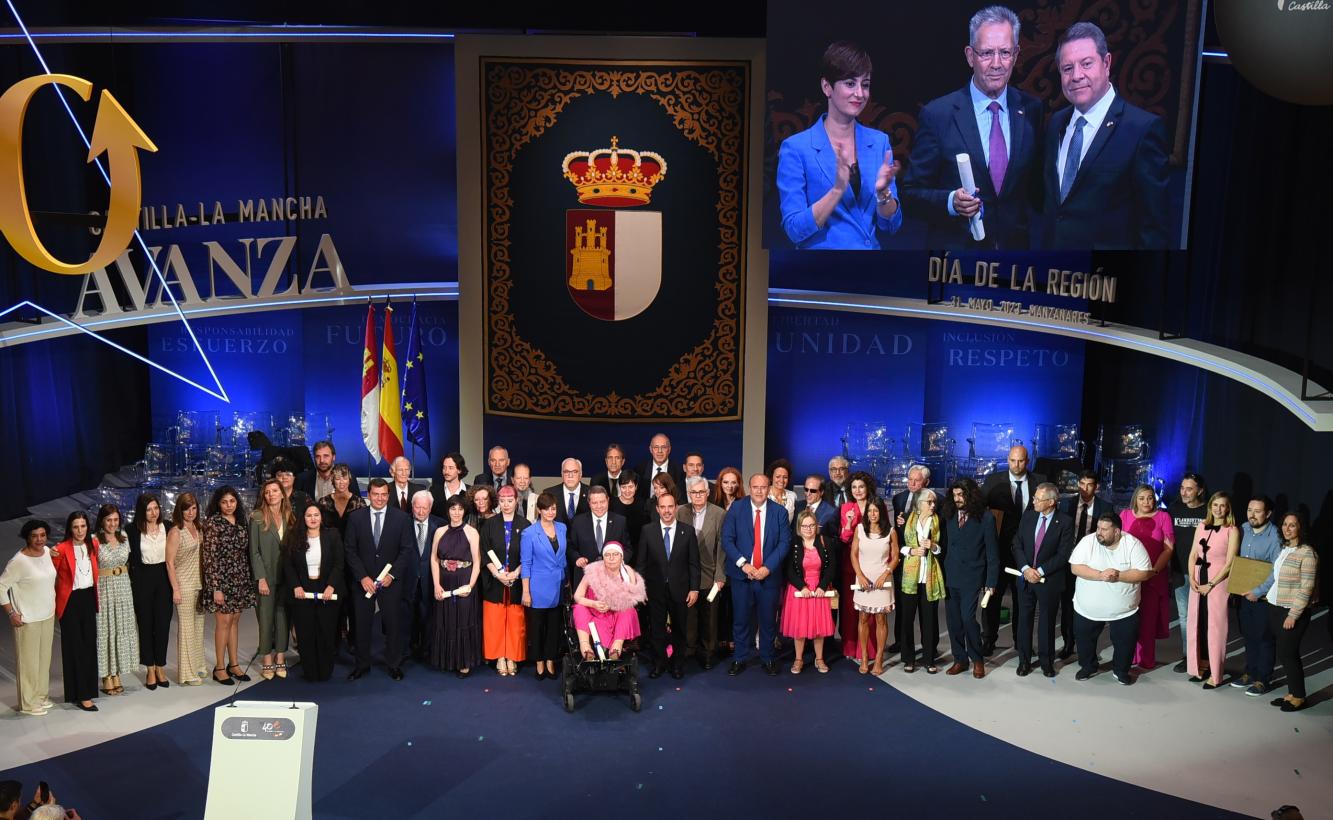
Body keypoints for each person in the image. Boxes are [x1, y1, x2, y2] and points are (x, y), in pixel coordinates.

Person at [900, 5, 1042, 249]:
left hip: (1015, 257)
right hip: (957, 258)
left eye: (1005, 52)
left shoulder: (1031, 109)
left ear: (1016, 55)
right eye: (986, 53)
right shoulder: (938, 115)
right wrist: (950, 201)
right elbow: (911, 194)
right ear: (969, 55)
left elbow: (1038, 191)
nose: (996, 63)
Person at [1041, 21, 1170, 249]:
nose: (1077, 76)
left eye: (1086, 64)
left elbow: (1154, 228)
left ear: (1107, 63)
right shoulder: (1055, 124)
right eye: (1067, 68)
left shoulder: (1142, 130)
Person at [776, 41, 902, 249]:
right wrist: (837, 190)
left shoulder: (879, 142)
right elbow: (794, 230)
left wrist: (883, 195)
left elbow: (891, 225)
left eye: (866, 84)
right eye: (850, 83)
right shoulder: (796, 148)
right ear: (827, 87)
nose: (860, 94)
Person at [1069, 514, 1154, 684]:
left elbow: (1144, 573)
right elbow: (1075, 567)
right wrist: (1100, 575)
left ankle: (1121, 671)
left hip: (1124, 611)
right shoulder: (1088, 541)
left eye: (1104, 529)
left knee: (1125, 642)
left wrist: (1118, 575)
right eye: (1098, 528)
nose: (1098, 532)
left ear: (1117, 531)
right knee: (1084, 639)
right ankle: (1088, 666)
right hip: (1086, 609)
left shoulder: (1132, 544)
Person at [345, 478, 415, 681]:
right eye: (375, 494)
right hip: (363, 582)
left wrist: (392, 575)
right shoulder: (356, 518)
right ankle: (361, 665)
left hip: (390, 582)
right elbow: (350, 550)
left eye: (384, 494)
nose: (380, 498)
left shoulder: (401, 518)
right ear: (368, 494)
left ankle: (394, 664)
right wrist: (362, 577)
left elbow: (406, 550)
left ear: (388, 495)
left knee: (393, 625)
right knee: (361, 625)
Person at [721, 473, 791, 676]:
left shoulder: (779, 512)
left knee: (768, 620)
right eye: (755, 487)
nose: (759, 491)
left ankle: (768, 658)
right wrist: (744, 565)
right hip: (742, 576)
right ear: (749, 488)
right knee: (741, 619)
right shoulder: (737, 508)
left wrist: (766, 568)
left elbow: (784, 543)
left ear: (769, 488)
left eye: (763, 487)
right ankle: (740, 658)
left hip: (768, 577)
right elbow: (727, 539)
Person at [980, 444, 1045, 655]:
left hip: (1027, 553)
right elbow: (980, 511)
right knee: (992, 598)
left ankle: (1021, 643)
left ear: (1028, 461)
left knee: (1024, 601)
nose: (1016, 465)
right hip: (998, 552)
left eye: (1021, 461)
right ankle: (988, 641)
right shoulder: (992, 481)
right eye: (1012, 460)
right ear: (1007, 460)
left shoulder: (1040, 481)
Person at [1010, 483, 1076, 677]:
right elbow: (1017, 543)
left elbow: (1063, 554)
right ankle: (1024, 661)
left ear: (1051, 502)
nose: (1034, 502)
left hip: (1049, 581)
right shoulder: (1029, 516)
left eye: (1038, 499)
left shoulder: (1065, 522)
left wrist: (1038, 571)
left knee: (1047, 622)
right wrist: (1025, 569)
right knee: (1024, 620)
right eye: (1034, 498)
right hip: (1025, 578)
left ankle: (1047, 662)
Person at [637, 491, 701, 680]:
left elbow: (694, 564)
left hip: (680, 589)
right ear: (657, 509)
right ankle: (659, 663)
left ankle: (677, 665)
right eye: (662, 507)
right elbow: (641, 563)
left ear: (676, 508)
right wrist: (641, 589)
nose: (666, 511)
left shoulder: (688, 531)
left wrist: (694, 588)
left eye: (670, 507)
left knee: (680, 629)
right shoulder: (647, 531)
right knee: (656, 629)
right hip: (654, 590)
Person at [0, 520, 57, 715]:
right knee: (28, 663)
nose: (39, 539)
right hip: (27, 619)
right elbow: (1, 587)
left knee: (43, 661)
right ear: (27, 537)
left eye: (43, 535)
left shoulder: (48, 552)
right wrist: (10, 613)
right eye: (35, 536)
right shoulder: (19, 561)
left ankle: (41, 696)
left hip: (47, 615)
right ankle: (28, 703)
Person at [283, 502, 344, 682]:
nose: (313, 519)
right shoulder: (294, 537)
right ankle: (310, 671)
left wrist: (331, 586)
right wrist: (296, 586)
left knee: (326, 631)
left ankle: (325, 671)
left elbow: (338, 564)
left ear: (321, 517)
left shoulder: (332, 535)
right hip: (303, 590)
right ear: (303, 518)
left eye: (316, 515)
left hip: (327, 589)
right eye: (309, 515)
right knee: (305, 632)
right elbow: (288, 565)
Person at [943, 478, 998, 678]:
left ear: (971, 495)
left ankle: (977, 659)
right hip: (951, 575)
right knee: (953, 621)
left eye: (961, 495)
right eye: (955, 495)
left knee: (968, 619)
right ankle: (960, 659)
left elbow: (992, 553)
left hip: (973, 577)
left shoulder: (986, 518)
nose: (957, 499)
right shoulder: (948, 515)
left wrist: (991, 582)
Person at [1056, 469, 1113, 659]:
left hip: (1092, 563)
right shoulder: (1066, 504)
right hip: (1068, 562)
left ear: (1096, 487)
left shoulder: (1106, 507)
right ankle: (1067, 643)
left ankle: (1087, 647)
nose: (1085, 488)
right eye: (1081, 483)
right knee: (1067, 604)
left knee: (1089, 605)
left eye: (1089, 484)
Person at [1186, 492, 1240, 688]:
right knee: (1197, 623)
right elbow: (1193, 554)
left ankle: (1216, 674)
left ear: (1228, 509)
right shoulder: (1201, 526)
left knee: (1215, 627)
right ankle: (1200, 665)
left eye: (1222, 505)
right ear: (1210, 506)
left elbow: (1230, 562)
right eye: (1215, 505)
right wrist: (1192, 577)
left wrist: (1212, 583)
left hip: (1217, 583)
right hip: (1198, 581)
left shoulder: (1232, 530)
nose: (1218, 509)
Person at [202, 486, 255, 685]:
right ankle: (220, 667)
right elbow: (210, 557)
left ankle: (234, 664)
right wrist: (216, 587)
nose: (229, 506)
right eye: (224, 502)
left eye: (232, 501)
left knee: (234, 622)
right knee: (223, 623)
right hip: (222, 580)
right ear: (218, 503)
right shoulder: (213, 523)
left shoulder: (241, 522)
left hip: (240, 578)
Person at [1265, 514, 1318, 712]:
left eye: (1293, 525)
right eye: (1285, 524)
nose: (1287, 528)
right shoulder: (1285, 549)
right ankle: (1292, 692)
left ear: (1300, 528)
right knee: (1284, 653)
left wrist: (1293, 615)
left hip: (1292, 612)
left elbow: (1307, 587)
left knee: (1289, 654)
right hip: (1276, 607)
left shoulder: (1307, 553)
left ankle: (1299, 697)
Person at [1119, 485, 1174, 671]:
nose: (1146, 502)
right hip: (1129, 576)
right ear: (1135, 499)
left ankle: (1146, 659)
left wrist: (1154, 571)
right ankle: (1129, 657)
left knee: (1148, 620)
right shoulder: (1125, 515)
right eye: (1142, 498)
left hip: (1154, 576)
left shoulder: (1163, 517)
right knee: (1128, 618)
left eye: (1150, 498)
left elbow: (1168, 548)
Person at [1234, 495, 1283, 696]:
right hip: (1242, 595)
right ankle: (1250, 672)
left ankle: (1263, 679)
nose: (1252, 515)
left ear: (1268, 513)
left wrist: (1258, 591)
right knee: (1248, 634)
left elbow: (1276, 570)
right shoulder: (1243, 529)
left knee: (1264, 637)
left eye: (1257, 511)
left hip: (1263, 597)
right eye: (1249, 510)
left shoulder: (1275, 536)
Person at [430, 496, 483, 677]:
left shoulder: (472, 532)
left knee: (463, 619)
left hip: (464, 580)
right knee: (446, 619)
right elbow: (434, 559)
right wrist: (436, 584)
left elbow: (477, 562)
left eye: (460, 509)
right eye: (453, 509)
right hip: (444, 580)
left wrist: (470, 585)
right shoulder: (439, 531)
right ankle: (449, 659)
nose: (456, 513)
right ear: (448, 511)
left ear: (465, 511)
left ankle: (464, 662)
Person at [52, 511, 99, 711]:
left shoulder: (93, 545)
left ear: (88, 527)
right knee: (75, 647)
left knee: (89, 645)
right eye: (75, 527)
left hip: (88, 598)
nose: (80, 530)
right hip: (70, 601)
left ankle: (84, 690)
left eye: (83, 526)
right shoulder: (61, 549)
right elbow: (48, 573)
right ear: (69, 529)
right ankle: (82, 695)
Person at [480, 485, 530, 676]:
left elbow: (529, 554)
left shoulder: (525, 524)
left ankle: (512, 656)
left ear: (516, 501)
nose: (506, 505)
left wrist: (516, 573)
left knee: (516, 620)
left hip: (517, 578)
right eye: (502, 501)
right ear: (498, 502)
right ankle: (499, 656)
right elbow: (483, 551)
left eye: (510, 501)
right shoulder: (489, 524)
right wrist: (497, 573)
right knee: (495, 619)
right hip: (495, 579)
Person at [127, 492, 172, 690]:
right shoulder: (131, 530)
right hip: (143, 579)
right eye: (148, 509)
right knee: (145, 625)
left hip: (164, 578)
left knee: (162, 625)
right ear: (141, 511)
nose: (153, 513)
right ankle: (150, 668)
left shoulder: (168, 527)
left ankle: (161, 666)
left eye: (156, 508)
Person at [782, 509, 836, 674]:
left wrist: (822, 586)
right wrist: (802, 587)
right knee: (800, 627)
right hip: (800, 590)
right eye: (805, 526)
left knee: (819, 627)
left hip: (819, 589)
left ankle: (819, 658)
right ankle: (798, 659)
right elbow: (789, 569)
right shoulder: (793, 543)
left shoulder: (825, 541)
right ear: (799, 527)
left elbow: (832, 567)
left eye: (812, 525)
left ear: (816, 526)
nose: (808, 529)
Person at [891, 464, 937, 653]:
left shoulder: (935, 501)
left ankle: (930, 649)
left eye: (917, 481)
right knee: (903, 607)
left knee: (928, 610)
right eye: (909, 479)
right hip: (905, 560)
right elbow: (897, 530)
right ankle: (902, 643)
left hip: (926, 562)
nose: (912, 483)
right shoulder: (899, 499)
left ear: (926, 482)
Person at [520, 493, 567, 680]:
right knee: (537, 627)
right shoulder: (529, 533)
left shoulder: (562, 528)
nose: (550, 512)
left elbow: (562, 558)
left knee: (554, 627)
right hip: (537, 588)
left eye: (553, 508)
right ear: (539, 510)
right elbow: (526, 563)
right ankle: (539, 661)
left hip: (558, 585)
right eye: (546, 508)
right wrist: (525, 591)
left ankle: (550, 660)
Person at [897, 492, 946, 674]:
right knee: (907, 619)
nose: (933, 505)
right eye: (929, 502)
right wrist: (911, 550)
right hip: (910, 578)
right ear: (919, 504)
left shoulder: (938, 521)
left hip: (929, 577)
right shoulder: (907, 521)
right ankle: (909, 659)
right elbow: (898, 545)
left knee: (930, 620)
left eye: (934, 502)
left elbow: (943, 548)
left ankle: (928, 659)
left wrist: (933, 546)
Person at [572, 543, 646, 660]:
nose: (611, 558)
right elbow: (577, 596)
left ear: (621, 557)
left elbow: (632, 599)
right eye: (607, 555)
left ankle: (616, 648)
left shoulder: (627, 572)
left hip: (616, 613)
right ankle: (586, 647)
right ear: (603, 557)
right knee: (579, 608)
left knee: (629, 610)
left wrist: (612, 604)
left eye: (615, 554)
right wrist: (594, 604)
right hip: (593, 612)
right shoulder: (593, 572)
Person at [92, 504, 137, 695]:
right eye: (109, 520)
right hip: (105, 588)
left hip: (123, 588)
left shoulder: (124, 537)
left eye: (116, 520)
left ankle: (117, 672)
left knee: (121, 628)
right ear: (102, 521)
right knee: (106, 630)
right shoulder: (94, 540)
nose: (112, 523)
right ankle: (106, 675)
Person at [683, 475, 727, 669]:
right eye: (694, 492)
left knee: (709, 618)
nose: (698, 495)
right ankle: (689, 650)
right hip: (685, 575)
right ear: (689, 494)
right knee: (688, 617)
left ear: (708, 493)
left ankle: (708, 653)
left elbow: (722, 548)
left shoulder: (719, 514)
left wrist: (720, 576)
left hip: (711, 575)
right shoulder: (680, 512)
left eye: (701, 492)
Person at [250, 479, 292, 681]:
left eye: (275, 491)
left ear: (282, 493)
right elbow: (254, 552)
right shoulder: (257, 517)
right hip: (266, 578)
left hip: (286, 578)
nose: (271, 495)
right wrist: (261, 578)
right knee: (266, 619)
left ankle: (281, 656)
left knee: (283, 618)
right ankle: (267, 659)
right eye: (267, 492)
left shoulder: (290, 516)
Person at [850, 498, 896, 675]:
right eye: (870, 511)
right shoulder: (860, 529)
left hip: (882, 580)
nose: (872, 514)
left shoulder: (890, 532)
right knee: (863, 618)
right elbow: (854, 555)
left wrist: (886, 573)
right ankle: (863, 657)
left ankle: (878, 659)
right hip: (863, 579)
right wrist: (860, 576)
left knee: (880, 619)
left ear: (882, 512)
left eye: (876, 511)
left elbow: (895, 557)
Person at [1167, 473, 1207, 672]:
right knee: (1185, 617)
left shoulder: (1209, 511)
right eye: (1182, 488)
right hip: (1180, 572)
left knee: (1204, 617)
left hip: (1204, 573)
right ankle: (1188, 656)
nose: (1184, 492)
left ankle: (1206, 658)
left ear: (1199, 490)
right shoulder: (1174, 509)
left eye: (1189, 489)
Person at [164, 492, 206, 686]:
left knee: (198, 627)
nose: (191, 512)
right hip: (184, 584)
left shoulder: (198, 528)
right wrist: (176, 589)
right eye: (187, 508)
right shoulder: (175, 532)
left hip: (199, 583)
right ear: (179, 510)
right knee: (187, 629)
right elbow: (170, 563)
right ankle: (187, 673)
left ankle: (198, 666)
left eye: (194, 508)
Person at [837, 471, 878, 661]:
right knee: (850, 609)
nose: (857, 490)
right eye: (854, 487)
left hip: (872, 564)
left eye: (861, 486)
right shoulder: (846, 508)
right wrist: (849, 522)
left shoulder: (875, 507)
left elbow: (882, 533)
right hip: (850, 564)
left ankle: (869, 650)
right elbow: (844, 538)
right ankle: (850, 647)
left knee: (869, 608)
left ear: (868, 488)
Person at [405, 490, 445, 661]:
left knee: (429, 616)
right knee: (408, 617)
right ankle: (409, 648)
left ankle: (428, 650)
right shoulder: (402, 523)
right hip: (408, 579)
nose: (421, 512)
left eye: (425, 508)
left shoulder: (441, 525)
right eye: (417, 507)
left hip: (431, 579)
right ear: (412, 506)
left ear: (430, 508)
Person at [568, 485, 631, 589]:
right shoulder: (578, 522)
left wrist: (620, 562)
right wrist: (577, 558)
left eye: (602, 502)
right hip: (585, 579)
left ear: (608, 500)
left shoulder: (620, 521)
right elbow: (570, 547)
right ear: (589, 503)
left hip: (613, 581)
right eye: (594, 503)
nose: (599, 506)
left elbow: (628, 548)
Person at [297, 439, 363, 500]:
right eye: (318, 457)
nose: (322, 460)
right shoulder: (303, 479)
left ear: (333, 457)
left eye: (326, 456)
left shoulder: (348, 479)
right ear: (314, 458)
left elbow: (358, 508)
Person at [635, 433, 685, 505]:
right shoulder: (640, 469)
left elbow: (680, 498)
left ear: (669, 449)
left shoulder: (679, 471)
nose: (659, 451)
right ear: (650, 449)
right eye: (656, 447)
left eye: (663, 447)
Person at [317, 463, 366, 537]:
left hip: (352, 546)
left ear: (349, 480)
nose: (341, 482)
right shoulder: (323, 502)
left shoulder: (359, 503)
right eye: (338, 478)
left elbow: (363, 530)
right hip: (330, 546)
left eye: (345, 478)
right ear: (333, 480)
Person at [608, 471, 647, 552]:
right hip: (617, 549)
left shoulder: (642, 504)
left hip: (638, 549)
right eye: (624, 487)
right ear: (619, 487)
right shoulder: (611, 504)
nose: (627, 490)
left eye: (630, 487)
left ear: (636, 487)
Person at [544, 458, 590, 525]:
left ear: (581, 474)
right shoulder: (549, 494)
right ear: (561, 474)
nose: (570, 476)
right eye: (566, 472)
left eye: (574, 472)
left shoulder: (592, 493)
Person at [272, 458, 313, 526]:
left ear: (294, 477)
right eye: (280, 475)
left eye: (288, 474)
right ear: (274, 478)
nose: (284, 477)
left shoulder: (304, 497)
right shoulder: (270, 497)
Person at [430, 452, 469, 519]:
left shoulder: (470, 491)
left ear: (459, 470)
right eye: (444, 468)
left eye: (450, 468)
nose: (446, 471)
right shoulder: (433, 490)